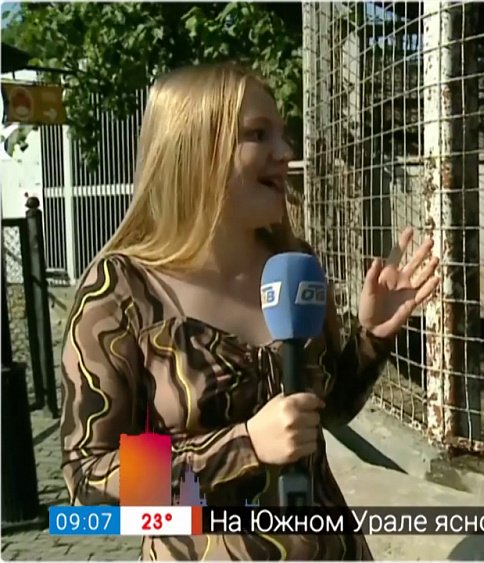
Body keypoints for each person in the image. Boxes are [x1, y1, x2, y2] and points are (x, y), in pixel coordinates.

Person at [59, 61, 440, 560]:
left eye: (282, 133)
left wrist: (372, 335)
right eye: (259, 134)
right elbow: (86, 482)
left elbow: (329, 410)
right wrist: (244, 445)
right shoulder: (118, 292)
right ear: (194, 148)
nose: (286, 153)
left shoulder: (295, 265)